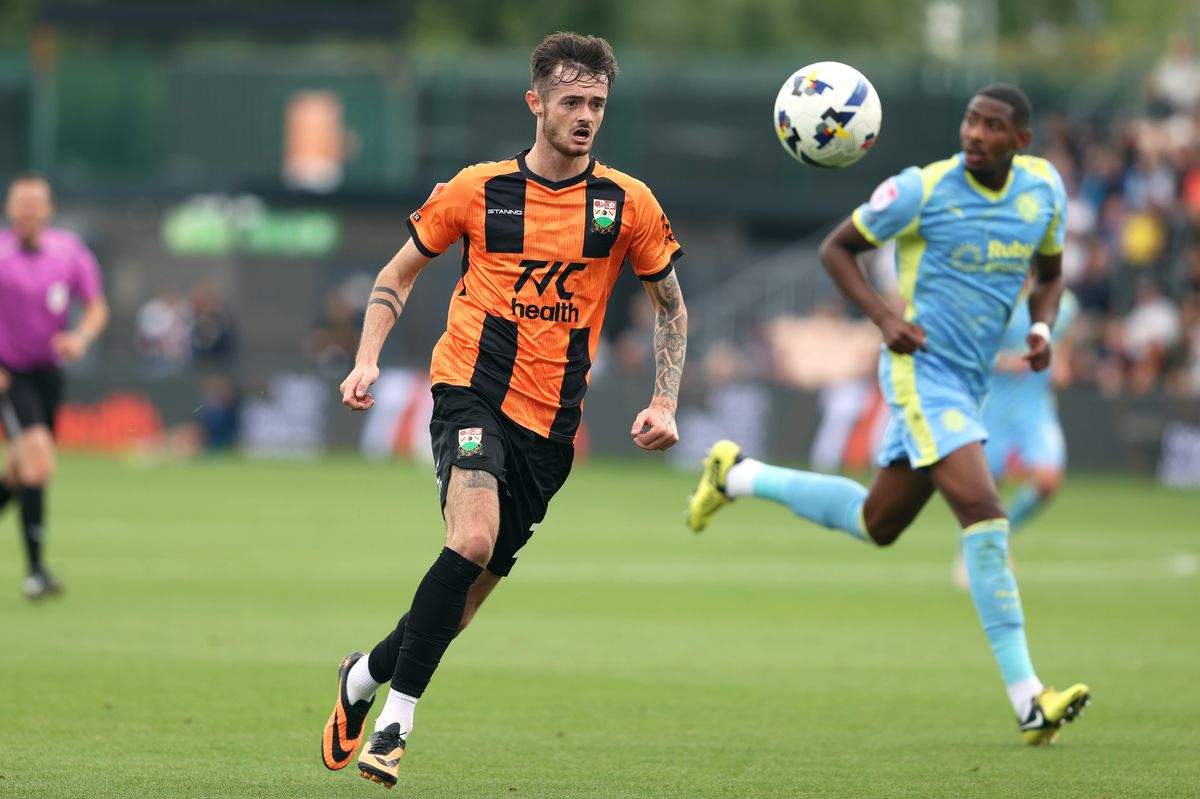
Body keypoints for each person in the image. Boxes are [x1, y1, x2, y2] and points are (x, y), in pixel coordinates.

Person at [321, 32, 687, 788]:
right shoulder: (478, 189)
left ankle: (361, 678)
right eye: (571, 101)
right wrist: (366, 356)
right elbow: (397, 274)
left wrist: (664, 399)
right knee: (474, 536)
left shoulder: (628, 204)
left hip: (552, 428)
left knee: (460, 599)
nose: (586, 116)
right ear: (536, 102)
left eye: (597, 104)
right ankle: (395, 722)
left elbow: (671, 307)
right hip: (469, 390)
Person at [686, 84, 1089, 746]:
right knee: (986, 514)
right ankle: (1029, 700)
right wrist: (885, 318)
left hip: (969, 383)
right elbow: (836, 248)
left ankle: (737, 475)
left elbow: (1051, 273)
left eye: (993, 126)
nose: (976, 133)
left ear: (1020, 140)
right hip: (921, 372)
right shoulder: (922, 189)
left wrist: (1042, 329)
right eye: (970, 120)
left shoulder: (1043, 189)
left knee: (878, 521)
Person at [0, 173, 109, 599]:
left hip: (49, 374)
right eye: (21, 203)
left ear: (48, 210)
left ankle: (36, 571)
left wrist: (80, 337)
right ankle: (36, 573)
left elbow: (97, 306)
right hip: (9, 373)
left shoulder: (69, 252)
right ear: (11, 209)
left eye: (35, 203)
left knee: (19, 470)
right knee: (40, 462)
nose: (28, 211)